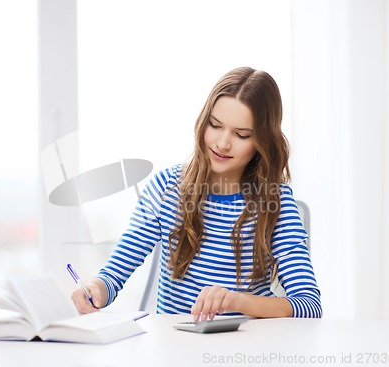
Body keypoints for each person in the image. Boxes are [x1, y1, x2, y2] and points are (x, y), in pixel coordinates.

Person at [72, 66, 322, 320]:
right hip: (176, 350)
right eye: (215, 125)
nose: (222, 143)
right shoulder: (166, 188)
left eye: (241, 134)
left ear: (262, 141)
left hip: (245, 350)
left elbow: (309, 306)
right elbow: (113, 276)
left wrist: (238, 301)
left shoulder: (276, 201)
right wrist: (97, 289)